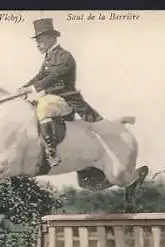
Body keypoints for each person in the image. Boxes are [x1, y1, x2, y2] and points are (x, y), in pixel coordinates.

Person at [16, 18, 103, 167]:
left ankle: (52, 152)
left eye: (40, 40)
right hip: (52, 98)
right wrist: (22, 88)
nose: (37, 44)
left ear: (51, 38)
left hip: (66, 100)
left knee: (43, 108)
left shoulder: (65, 56)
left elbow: (54, 76)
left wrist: (31, 89)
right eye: (36, 41)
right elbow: (39, 76)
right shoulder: (49, 57)